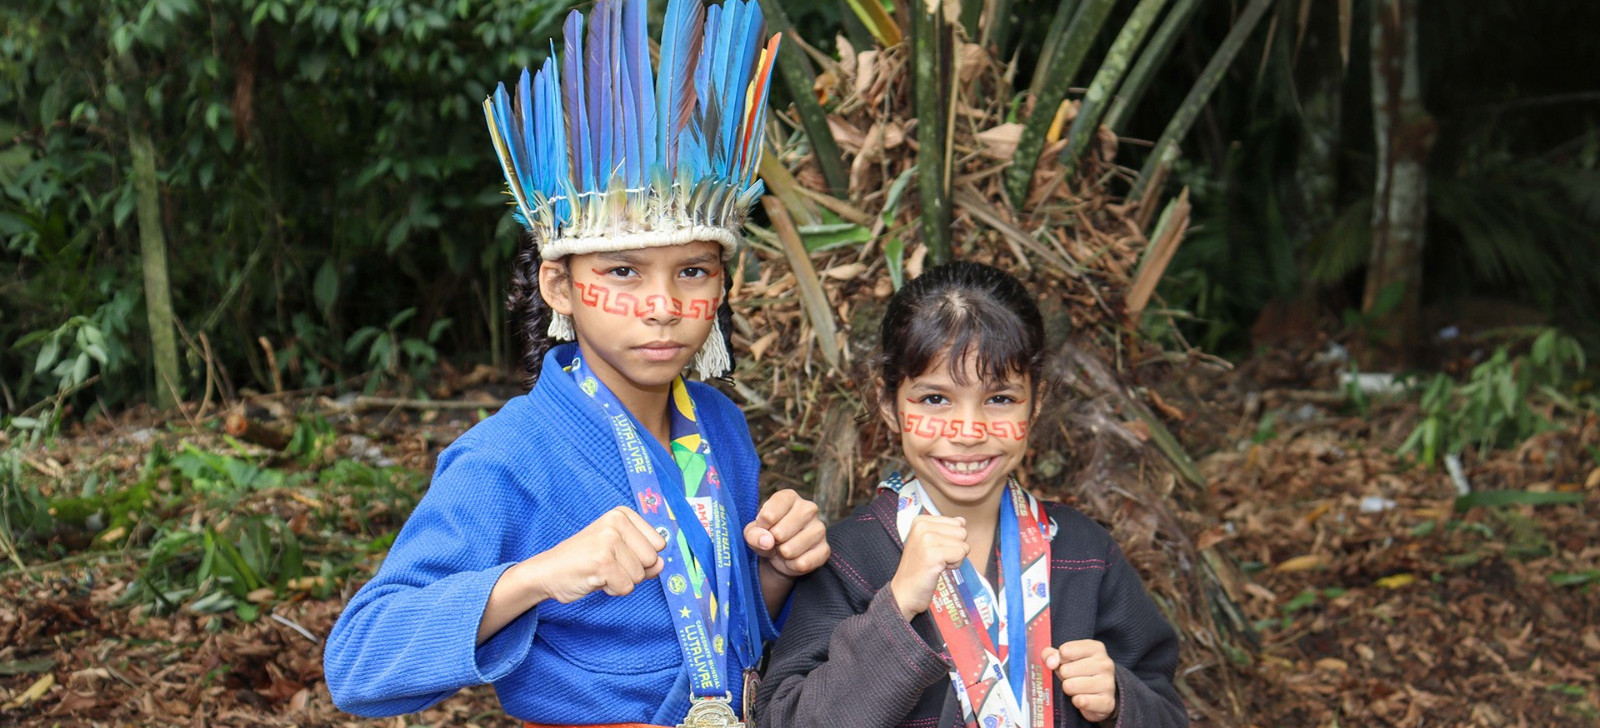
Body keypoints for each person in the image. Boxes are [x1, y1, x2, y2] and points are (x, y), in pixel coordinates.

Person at [322, 0, 829, 724]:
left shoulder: (719, 426)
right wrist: (537, 577)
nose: (662, 306)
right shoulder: (507, 458)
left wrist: (771, 572)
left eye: (693, 271)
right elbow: (358, 661)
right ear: (558, 283)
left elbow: (728, 635)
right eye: (623, 272)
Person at [755, 261, 1187, 728]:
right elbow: (787, 718)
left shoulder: (1085, 553)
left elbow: (1166, 710)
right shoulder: (846, 560)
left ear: (1035, 403)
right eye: (934, 399)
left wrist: (1120, 701)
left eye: (1000, 398)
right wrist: (897, 607)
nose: (967, 431)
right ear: (888, 404)